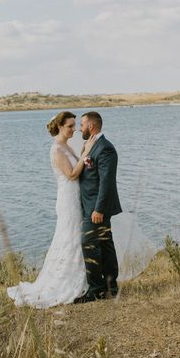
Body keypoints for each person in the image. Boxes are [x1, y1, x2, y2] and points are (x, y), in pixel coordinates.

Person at [7, 111, 96, 308]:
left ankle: (83, 280)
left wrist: (84, 155)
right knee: (70, 237)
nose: (74, 129)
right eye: (70, 126)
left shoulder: (66, 146)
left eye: (75, 125)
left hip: (75, 197)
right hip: (67, 199)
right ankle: (66, 283)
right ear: (59, 127)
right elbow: (72, 174)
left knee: (75, 237)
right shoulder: (56, 149)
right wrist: (86, 154)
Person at [74, 111, 122, 303]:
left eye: (82, 124)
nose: (79, 128)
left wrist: (99, 209)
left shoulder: (105, 149)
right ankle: (111, 287)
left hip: (96, 208)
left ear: (91, 126)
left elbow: (106, 183)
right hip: (89, 206)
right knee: (104, 243)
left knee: (89, 243)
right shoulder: (90, 145)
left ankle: (95, 290)